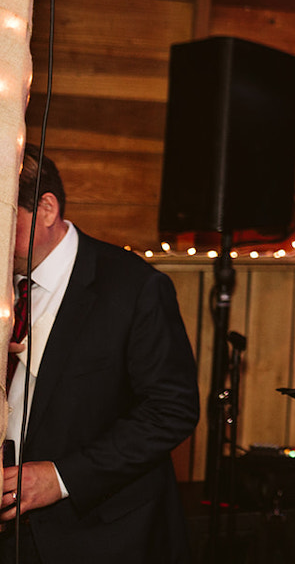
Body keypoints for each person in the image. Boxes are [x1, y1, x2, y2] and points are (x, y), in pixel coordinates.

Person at [0, 145, 200, 563]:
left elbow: (172, 410)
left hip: (100, 535)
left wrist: (61, 478)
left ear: (47, 209)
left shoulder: (134, 287)